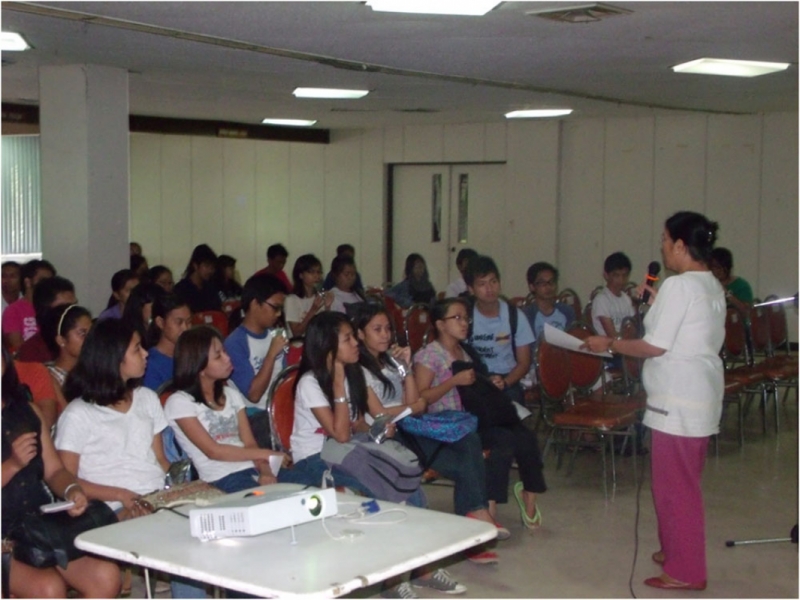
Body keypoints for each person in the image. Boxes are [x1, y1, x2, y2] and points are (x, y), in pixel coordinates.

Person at [582, 211, 725, 591]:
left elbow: (653, 346)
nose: (661, 245)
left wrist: (607, 343)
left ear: (680, 245)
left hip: (678, 401)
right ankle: (676, 549)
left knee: (675, 489)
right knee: (681, 483)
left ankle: (686, 571)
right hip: (699, 396)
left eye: (664, 238)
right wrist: (660, 300)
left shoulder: (681, 287)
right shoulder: (708, 284)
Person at [353, 303, 503, 571]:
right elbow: (380, 414)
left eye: (388, 328)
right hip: (384, 437)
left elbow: (414, 401)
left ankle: (475, 517)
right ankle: (476, 520)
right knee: (468, 464)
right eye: (377, 329)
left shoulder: (390, 361)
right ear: (361, 334)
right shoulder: (358, 369)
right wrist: (412, 407)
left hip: (408, 428)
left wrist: (406, 368)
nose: (386, 335)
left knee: (468, 439)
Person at [415, 298, 546, 535]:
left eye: (466, 318)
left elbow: (479, 386)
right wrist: (452, 381)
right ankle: (487, 511)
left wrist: (492, 382)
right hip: (448, 423)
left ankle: (529, 498)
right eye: (457, 318)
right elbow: (421, 398)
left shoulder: (467, 352)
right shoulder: (429, 355)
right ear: (440, 324)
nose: (464, 323)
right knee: (501, 443)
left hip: (475, 417)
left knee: (525, 437)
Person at [2, 347, 121, 599]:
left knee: (107, 577)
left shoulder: (26, 410)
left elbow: (54, 469)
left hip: (38, 527)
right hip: (4, 536)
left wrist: (71, 490)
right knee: (49, 588)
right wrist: (11, 465)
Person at [277, 312, 415, 503]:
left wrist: (377, 429)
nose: (355, 343)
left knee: (402, 478)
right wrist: (339, 385)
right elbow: (340, 435)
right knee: (373, 486)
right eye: (347, 339)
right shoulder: (310, 383)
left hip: (349, 448)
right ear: (328, 346)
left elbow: (357, 424)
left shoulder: (354, 372)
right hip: (315, 456)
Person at [55, 319, 170, 517]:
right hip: (110, 505)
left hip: (155, 496)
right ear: (114, 358)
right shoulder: (78, 414)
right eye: (137, 349)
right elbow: (68, 479)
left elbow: (160, 460)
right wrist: (121, 495)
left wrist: (185, 488)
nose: (145, 353)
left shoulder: (147, 398)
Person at [165, 326, 287, 493]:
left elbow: (250, 444)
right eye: (218, 356)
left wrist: (265, 471)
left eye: (224, 351)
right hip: (221, 478)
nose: (227, 358)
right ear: (199, 367)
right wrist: (267, 454)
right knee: (267, 499)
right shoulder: (179, 402)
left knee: (302, 484)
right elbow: (213, 451)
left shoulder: (231, 395)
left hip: (252, 469)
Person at [224, 274, 288, 448]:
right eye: (275, 307)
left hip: (280, 407)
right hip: (254, 415)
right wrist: (271, 354)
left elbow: (284, 379)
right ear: (254, 304)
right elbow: (254, 395)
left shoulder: (275, 335)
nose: (279, 314)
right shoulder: (235, 343)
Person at [465, 255, 535, 407]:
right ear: (471, 289)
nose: (489, 289)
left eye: (493, 281)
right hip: (474, 377)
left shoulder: (515, 316)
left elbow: (524, 363)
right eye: (482, 284)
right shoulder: (465, 317)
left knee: (510, 406)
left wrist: (505, 382)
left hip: (508, 378)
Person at [40, 304, 93, 423]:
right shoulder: (48, 376)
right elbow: (69, 420)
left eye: (91, 332)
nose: (90, 339)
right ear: (61, 340)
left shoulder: (93, 369)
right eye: (83, 334)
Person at [15, 276, 78, 364]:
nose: (73, 312)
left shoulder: (79, 341)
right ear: (46, 311)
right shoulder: (32, 351)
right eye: (65, 308)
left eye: (74, 306)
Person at [142, 293, 192, 393]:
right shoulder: (150, 365)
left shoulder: (194, 354)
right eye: (179, 322)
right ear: (160, 322)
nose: (185, 328)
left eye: (189, 321)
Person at [2, 259, 55, 350]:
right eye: (43, 280)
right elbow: (18, 348)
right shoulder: (13, 310)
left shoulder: (52, 308)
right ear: (28, 282)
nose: (47, 285)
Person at [522, 262, 576, 339]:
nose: (548, 286)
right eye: (542, 283)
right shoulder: (527, 315)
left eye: (551, 282)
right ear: (532, 287)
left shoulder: (567, 311)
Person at [285, 254, 333, 337]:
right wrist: (313, 310)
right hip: (299, 345)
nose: (316, 276)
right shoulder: (292, 300)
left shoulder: (320, 297)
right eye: (311, 272)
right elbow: (296, 333)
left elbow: (327, 329)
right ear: (301, 275)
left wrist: (328, 307)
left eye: (318, 272)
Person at [592, 252, 635, 338]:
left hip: (624, 346)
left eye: (625, 275)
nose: (621, 280)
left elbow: (632, 329)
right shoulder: (601, 300)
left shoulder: (626, 299)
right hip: (606, 348)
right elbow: (611, 335)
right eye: (616, 275)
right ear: (606, 275)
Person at [174, 244, 222, 313]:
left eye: (212, 267)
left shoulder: (211, 289)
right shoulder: (181, 290)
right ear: (195, 266)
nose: (210, 271)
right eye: (206, 266)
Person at [709, 247, 754, 314]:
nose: (716, 271)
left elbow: (747, 310)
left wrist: (727, 294)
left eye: (719, 267)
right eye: (713, 267)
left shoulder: (741, 285)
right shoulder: (708, 284)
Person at [121, 282, 165, 349]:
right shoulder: (126, 335)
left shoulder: (163, 329)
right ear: (139, 307)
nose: (158, 310)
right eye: (154, 306)